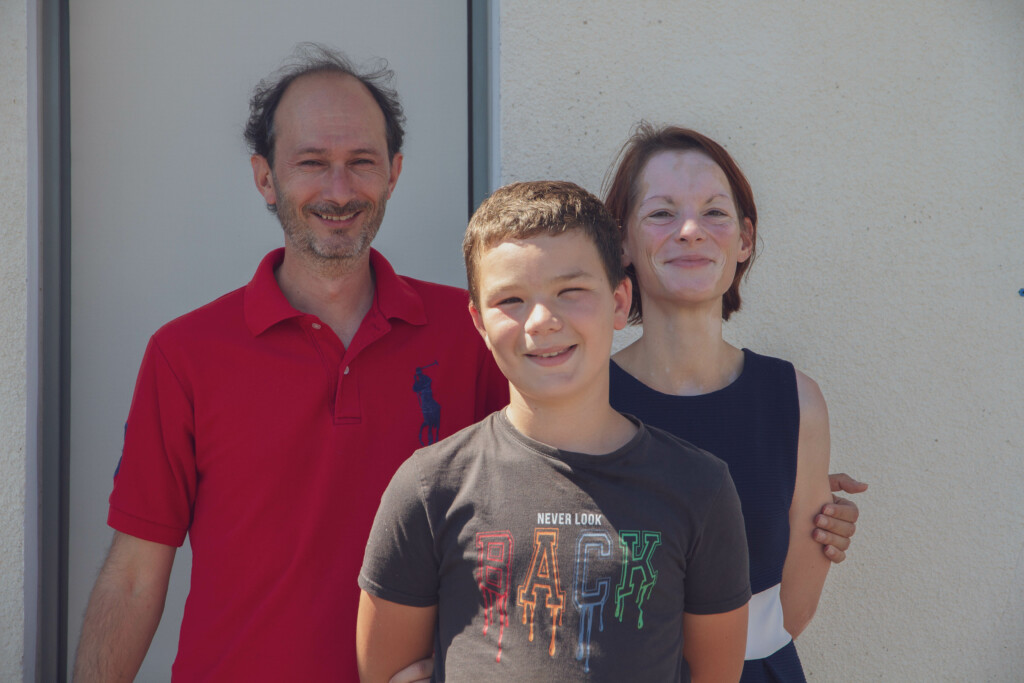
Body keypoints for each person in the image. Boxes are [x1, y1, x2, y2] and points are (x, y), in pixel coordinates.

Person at [71, 44, 508, 682]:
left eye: (362, 161)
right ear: (265, 178)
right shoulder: (185, 354)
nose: (339, 189)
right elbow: (135, 574)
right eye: (312, 162)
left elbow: (524, 533)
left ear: (394, 173)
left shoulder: (472, 334)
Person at [357, 181, 752, 682]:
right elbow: (386, 671)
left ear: (619, 301)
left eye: (571, 291)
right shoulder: (430, 486)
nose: (542, 321)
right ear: (478, 323)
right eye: (511, 299)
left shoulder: (700, 487)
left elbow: (716, 671)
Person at [603, 123, 865, 682]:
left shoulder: (796, 401)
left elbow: (791, 610)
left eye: (715, 213)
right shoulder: (585, 398)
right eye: (661, 213)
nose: (690, 231)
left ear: (744, 239)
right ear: (622, 240)